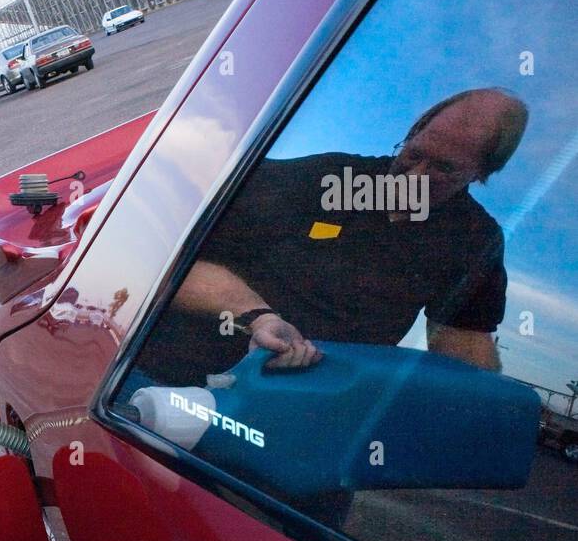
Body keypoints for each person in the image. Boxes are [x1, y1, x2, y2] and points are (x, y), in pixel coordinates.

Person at [144, 87, 529, 387]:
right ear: (412, 133)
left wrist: (487, 403)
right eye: (414, 155)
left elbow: (463, 348)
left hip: (318, 414)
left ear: (481, 173)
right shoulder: (323, 179)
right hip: (175, 382)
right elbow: (170, 261)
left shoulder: (473, 239)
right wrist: (259, 318)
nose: (413, 177)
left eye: (443, 169)